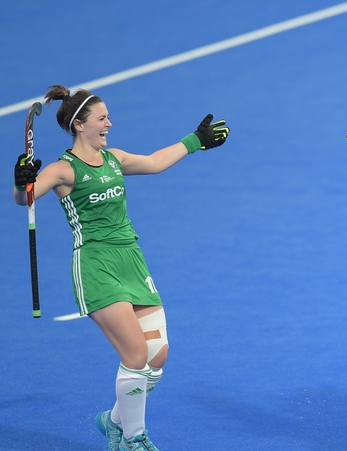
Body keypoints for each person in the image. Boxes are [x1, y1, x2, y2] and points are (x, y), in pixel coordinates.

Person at [12, 85, 229, 451]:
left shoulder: (113, 159)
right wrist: (22, 181)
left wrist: (196, 140)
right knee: (135, 355)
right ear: (80, 125)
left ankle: (113, 421)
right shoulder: (64, 170)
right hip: (96, 265)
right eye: (102, 118)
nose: (109, 123)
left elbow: (156, 162)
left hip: (131, 259)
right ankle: (133, 439)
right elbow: (26, 198)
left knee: (157, 356)